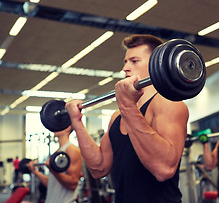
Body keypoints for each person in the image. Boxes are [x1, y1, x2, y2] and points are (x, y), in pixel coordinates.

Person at [65, 34, 189, 202]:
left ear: (155, 63)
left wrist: (127, 106)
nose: (125, 68)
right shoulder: (117, 115)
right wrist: (77, 123)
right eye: (125, 61)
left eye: (134, 61)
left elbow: (164, 169)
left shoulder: (169, 104)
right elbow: (99, 168)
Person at [27, 126, 82, 203]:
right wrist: (36, 172)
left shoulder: (72, 150)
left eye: (59, 124)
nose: (55, 126)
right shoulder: (57, 152)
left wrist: (52, 170)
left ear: (68, 127)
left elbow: (72, 184)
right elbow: (51, 184)